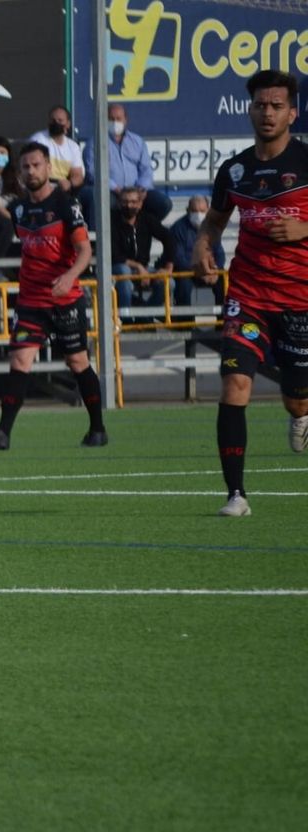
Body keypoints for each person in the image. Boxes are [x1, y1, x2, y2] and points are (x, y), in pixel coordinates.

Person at [193, 69, 308, 517]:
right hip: (248, 292)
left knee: (297, 395)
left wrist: (303, 226)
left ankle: (300, 414)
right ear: (249, 109)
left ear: (292, 113)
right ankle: (236, 495)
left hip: (299, 298)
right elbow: (213, 223)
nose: (267, 112)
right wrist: (204, 249)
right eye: (260, 104)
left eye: (277, 105)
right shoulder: (235, 169)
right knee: (235, 383)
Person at [0, 142, 106, 451]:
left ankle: (97, 428)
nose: (31, 171)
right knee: (20, 360)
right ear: (19, 173)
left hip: (65, 299)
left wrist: (70, 276)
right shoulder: (19, 209)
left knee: (77, 361)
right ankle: (3, 432)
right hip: (31, 301)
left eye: (36, 165)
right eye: (25, 167)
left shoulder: (66, 205)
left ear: (47, 167)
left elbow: (85, 250)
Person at [83, 103, 171, 229]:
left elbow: (146, 169)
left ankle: (140, 230)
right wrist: (117, 189)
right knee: (102, 201)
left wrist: (142, 189)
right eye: (111, 119)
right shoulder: (94, 143)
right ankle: (102, 242)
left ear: (125, 120)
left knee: (163, 203)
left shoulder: (137, 141)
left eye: (118, 119)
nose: (115, 122)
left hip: (136, 191)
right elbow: (93, 173)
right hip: (110, 191)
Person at [107, 187, 175, 314]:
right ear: (119, 203)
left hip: (143, 268)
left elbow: (168, 238)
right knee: (124, 272)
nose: (129, 205)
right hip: (118, 268)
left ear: (140, 204)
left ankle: (146, 315)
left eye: (133, 202)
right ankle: (125, 318)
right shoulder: (111, 220)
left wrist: (168, 267)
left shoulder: (146, 219)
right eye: (125, 202)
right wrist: (138, 267)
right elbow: (114, 255)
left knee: (169, 282)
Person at [168, 194, 224, 299]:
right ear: (187, 210)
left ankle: (223, 314)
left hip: (209, 270)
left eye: (202, 211)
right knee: (183, 283)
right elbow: (179, 258)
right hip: (187, 270)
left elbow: (219, 253)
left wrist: (215, 270)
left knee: (223, 280)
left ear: (208, 210)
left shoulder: (213, 227)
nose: (198, 214)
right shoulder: (178, 228)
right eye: (194, 211)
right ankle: (184, 315)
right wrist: (200, 271)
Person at [27, 106, 85, 194]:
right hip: (42, 187)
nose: (56, 123)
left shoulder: (73, 147)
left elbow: (78, 175)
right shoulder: (38, 140)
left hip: (65, 189)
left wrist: (69, 183)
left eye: (60, 120)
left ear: (68, 124)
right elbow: (32, 169)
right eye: (53, 120)